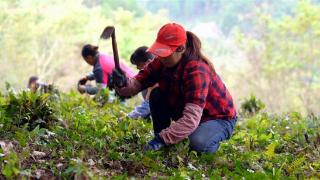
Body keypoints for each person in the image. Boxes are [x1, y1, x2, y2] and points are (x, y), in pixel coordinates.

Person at [113, 23, 237, 153]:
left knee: (196, 143)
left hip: (218, 118)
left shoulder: (197, 71)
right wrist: (122, 83)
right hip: (191, 114)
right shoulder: (160, 62)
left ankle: (208, 140)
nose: (161, 57)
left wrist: (160, 140)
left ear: (181, 49)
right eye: (159, 52)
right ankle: (164, 140)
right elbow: (136, 84)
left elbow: (191, 118)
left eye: (166, 53)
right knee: (156, 94)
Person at [127, 46, 155, 119]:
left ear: (148, 62)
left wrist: (128, 117)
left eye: (138, 64)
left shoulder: (155, 76)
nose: (137, 68)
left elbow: (148, 105)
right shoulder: (149, 73)